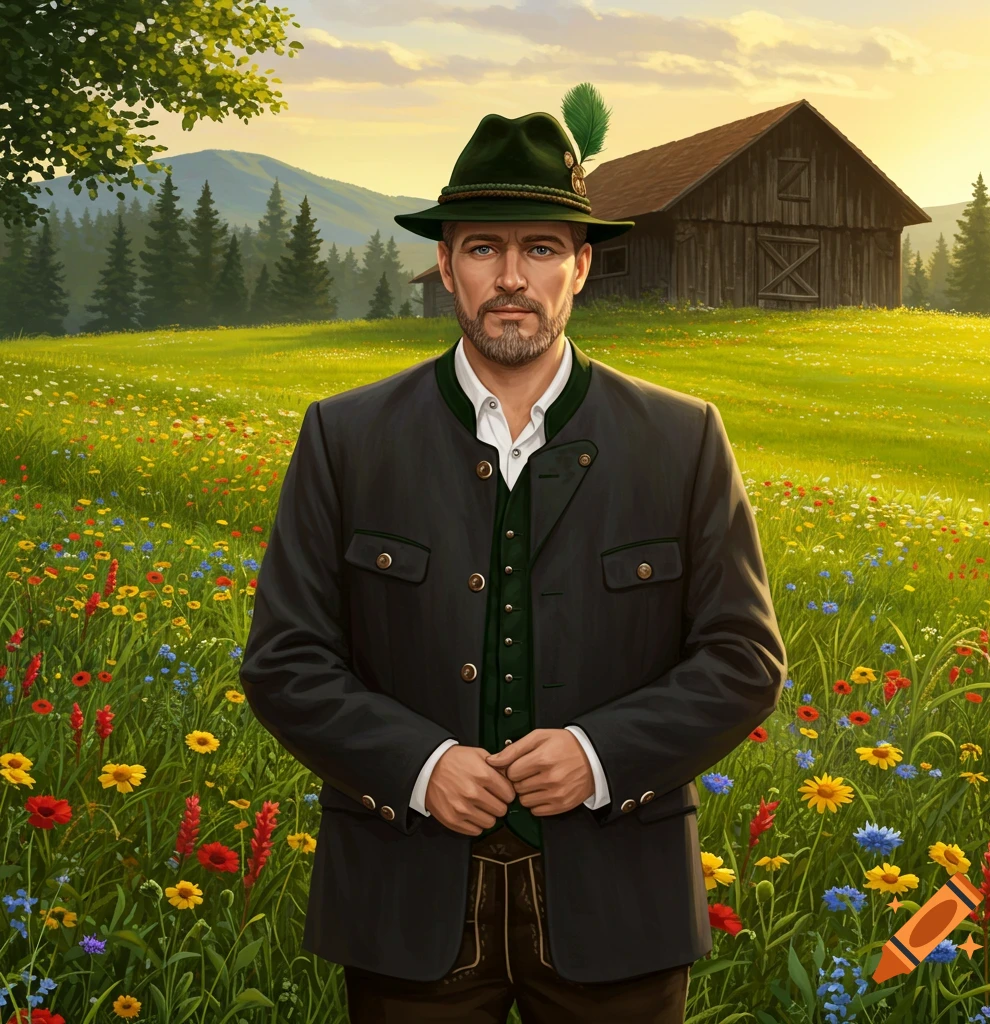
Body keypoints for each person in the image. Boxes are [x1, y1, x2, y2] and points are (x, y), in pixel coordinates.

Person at [239, 82, 787, 1024]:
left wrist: (598, 754)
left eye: (539, 249)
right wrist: (420, 767)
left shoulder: (683, 438)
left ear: (581, 266)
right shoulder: (346, 436)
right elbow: (284, 660)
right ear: (446, 265)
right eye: (483, 248)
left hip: (621, 904)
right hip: (403, 904)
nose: (510, 278)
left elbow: (744, 659)